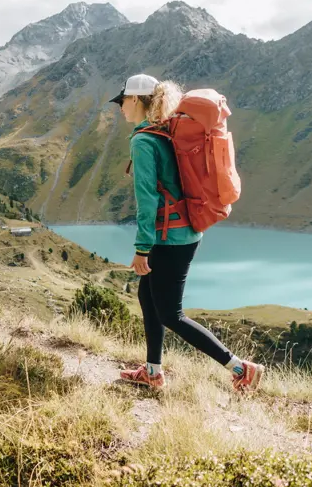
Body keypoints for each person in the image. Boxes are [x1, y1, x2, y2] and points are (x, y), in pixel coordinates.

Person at [111, 74, 263, 392]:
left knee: (171, 314)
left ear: (136, 100)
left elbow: (148, 199)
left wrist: (141, 249)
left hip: (169, 238)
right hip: (184, 230)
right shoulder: (166, 131)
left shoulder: (143, 141)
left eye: (122, 101)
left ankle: (240, 367)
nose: (120, 108)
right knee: (147, 297)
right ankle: (152, 372)